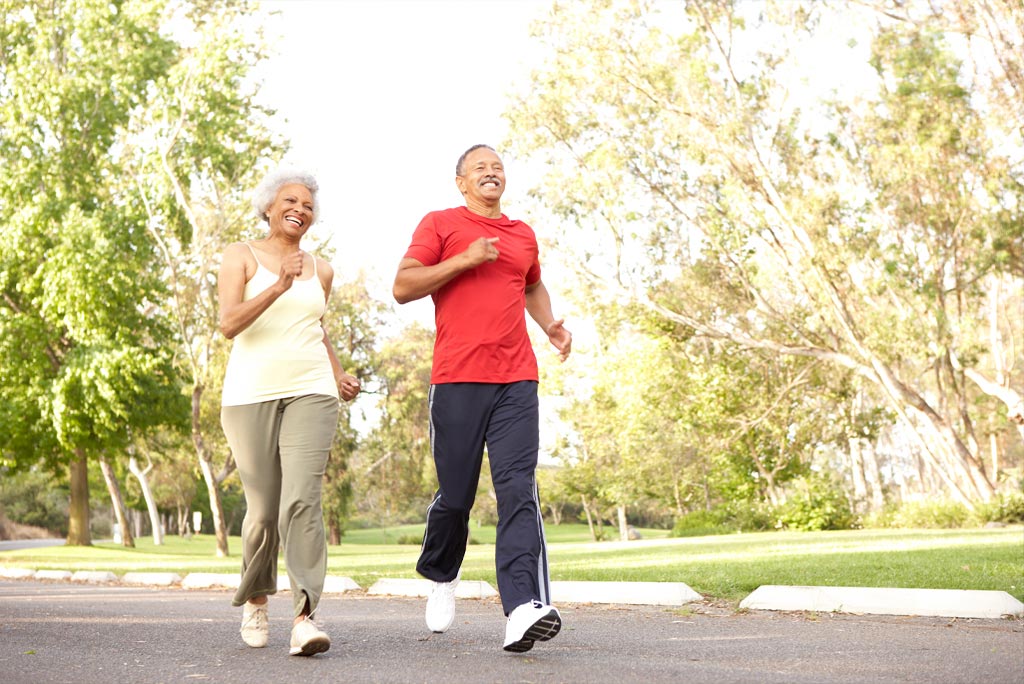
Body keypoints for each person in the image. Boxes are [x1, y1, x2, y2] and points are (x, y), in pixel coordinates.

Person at [392, 144, 572, 653]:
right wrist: (464, 260)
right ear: (461, 182)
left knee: (518, 489)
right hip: (456, 379)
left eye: (498, 167)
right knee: (456, 495)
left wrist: (551, 325)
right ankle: (442, 573)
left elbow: (532, 286)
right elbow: (403, 286)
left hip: (517, 377)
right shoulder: (441, 224)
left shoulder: (522, 235)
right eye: (480, 168)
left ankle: (522, 608)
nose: (491, 173)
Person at [218, 169, 360, 656]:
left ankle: (304, 617)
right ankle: (256, 598)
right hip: (249, 395)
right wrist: (278, 285)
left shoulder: (321, 269)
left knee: (302, 500)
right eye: (290, 200)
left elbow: (316, 327)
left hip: (311, 390)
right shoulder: (241, 255)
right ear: (269, 208)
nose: (300, 208)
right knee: (262, 511)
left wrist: (338, 374)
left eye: (308, 203)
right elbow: (228, 324)